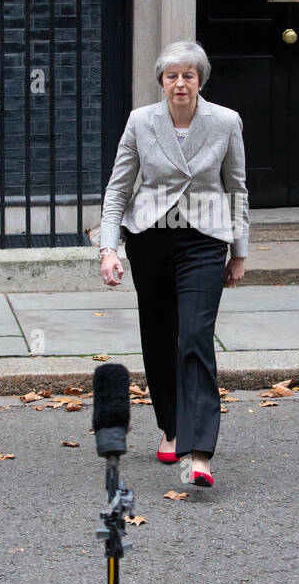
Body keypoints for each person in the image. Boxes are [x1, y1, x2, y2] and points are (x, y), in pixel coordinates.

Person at [98, 40, 248, 489]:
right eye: (171, 76)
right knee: (160, 336)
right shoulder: (141, 122)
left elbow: (237, 187)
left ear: (200, 80)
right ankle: (171, 426)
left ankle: (200, 452)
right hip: (151, 240)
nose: (180, 83)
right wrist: (109, 248)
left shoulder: (225, 122)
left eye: (188, 75)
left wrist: (239, 251)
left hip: (203, 240)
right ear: (162, 81)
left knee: (195, 337)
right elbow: (118, 189)